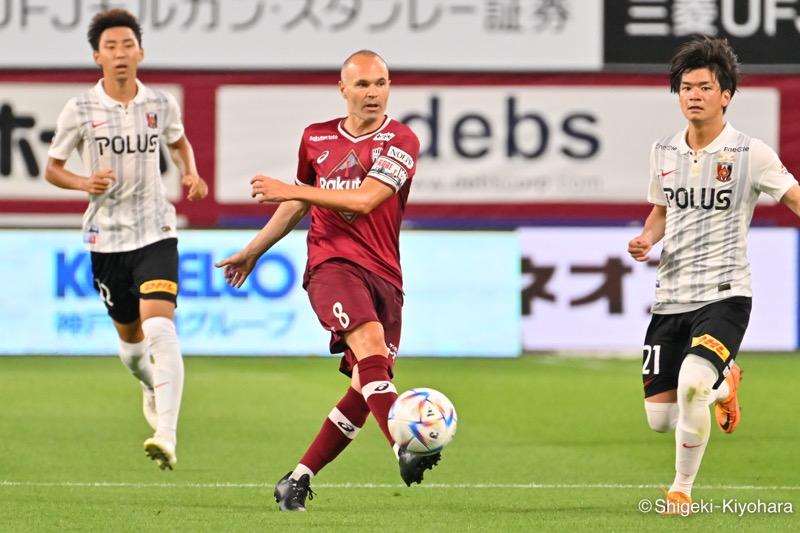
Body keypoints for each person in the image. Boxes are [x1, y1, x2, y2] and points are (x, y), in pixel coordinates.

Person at [215, 50, 439, 512]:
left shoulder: (402, 139)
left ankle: (297, 478)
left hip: (385, 274)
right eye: (363, 85)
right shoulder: (315, 137)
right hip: (332, 265)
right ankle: (402, 443)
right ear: (343, 90)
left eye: (381, 83)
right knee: (370, 344)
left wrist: (292, 188)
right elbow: (297, 207)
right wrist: (254, 251)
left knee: (365, 385)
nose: (373, 93)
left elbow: (364, 200)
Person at [627, 36, 800, 514]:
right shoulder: (663, 151)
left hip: (725, 295)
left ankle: (680, 489)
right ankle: (726, 381)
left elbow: (792, 196)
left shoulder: (750, 153)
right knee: (661, 418)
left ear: (726, 94)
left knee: (690, 387)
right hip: (670, 298)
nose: (694, 95)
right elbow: (660, 212)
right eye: (686, 87)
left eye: (705, 86)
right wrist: (647, 239)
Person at [45, 8, 208, 471]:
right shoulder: (79, 109)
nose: (120, 54)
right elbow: (52, 168)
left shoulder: (160, 103)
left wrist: (189, 172)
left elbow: (177, 142)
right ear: (97, 56)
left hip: (155, 230)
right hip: (106, 239)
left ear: (141, 51)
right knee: (135, 347)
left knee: (161, 328)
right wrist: (82, 183)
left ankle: (167, 435)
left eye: (127, 45)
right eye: (110, 47)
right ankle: (147, 385)